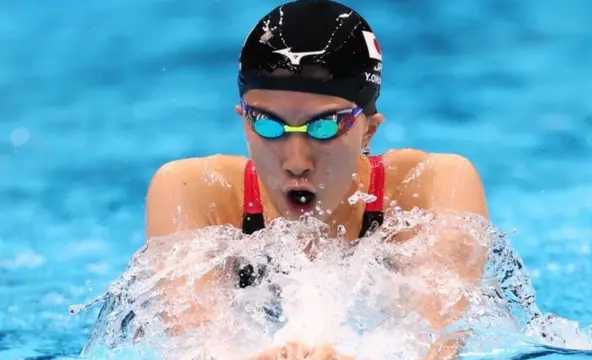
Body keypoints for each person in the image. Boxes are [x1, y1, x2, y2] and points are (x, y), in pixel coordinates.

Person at [145, 0, 489, 358]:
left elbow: (438, 342)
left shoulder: (429, 186)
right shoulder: (197, 193)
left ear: (368, 131)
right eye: (267, 124)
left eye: (325, 127)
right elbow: (198, 344)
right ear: (244, 122)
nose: (296, 162)